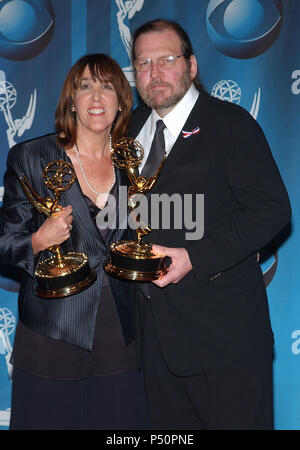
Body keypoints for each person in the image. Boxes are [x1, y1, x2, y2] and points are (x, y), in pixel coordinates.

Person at [129, 19, 291, 430]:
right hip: (154, 347)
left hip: (225, 345)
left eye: (167, 59)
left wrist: (194, 257)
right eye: (144, 63)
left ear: (192, 66)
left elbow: (272, 210)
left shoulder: (230, 124)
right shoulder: (127, 131)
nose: (155, 72)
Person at [0, 53, 149, 430]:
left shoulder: (136, 162)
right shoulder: (32, 158)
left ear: (121, 101)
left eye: (108, 86)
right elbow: (4, 241)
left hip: (122, 336)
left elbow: (157, 232)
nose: (96, 96)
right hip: (52, 333)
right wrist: (36, 241)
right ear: (71, 99)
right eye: (86, 86)